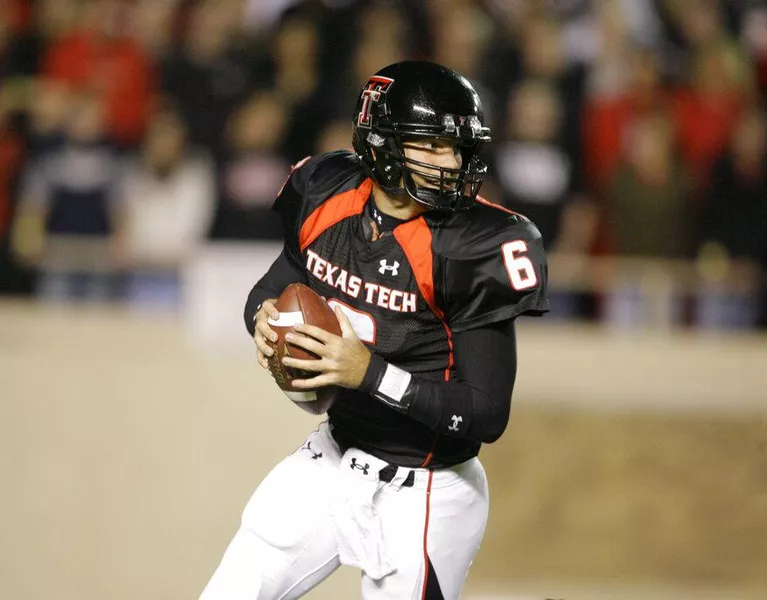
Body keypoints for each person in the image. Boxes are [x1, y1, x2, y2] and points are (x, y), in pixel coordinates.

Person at [199, 61, 549, 600]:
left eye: (456, 147)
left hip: (428, 491)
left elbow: (486, 413)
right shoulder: (326, 190)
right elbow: (273, 285)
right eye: (430, 146)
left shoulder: (472, 244)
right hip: (334, 456)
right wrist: (263, 319)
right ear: (383, 144)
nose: (450, 162)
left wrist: (370, 373)